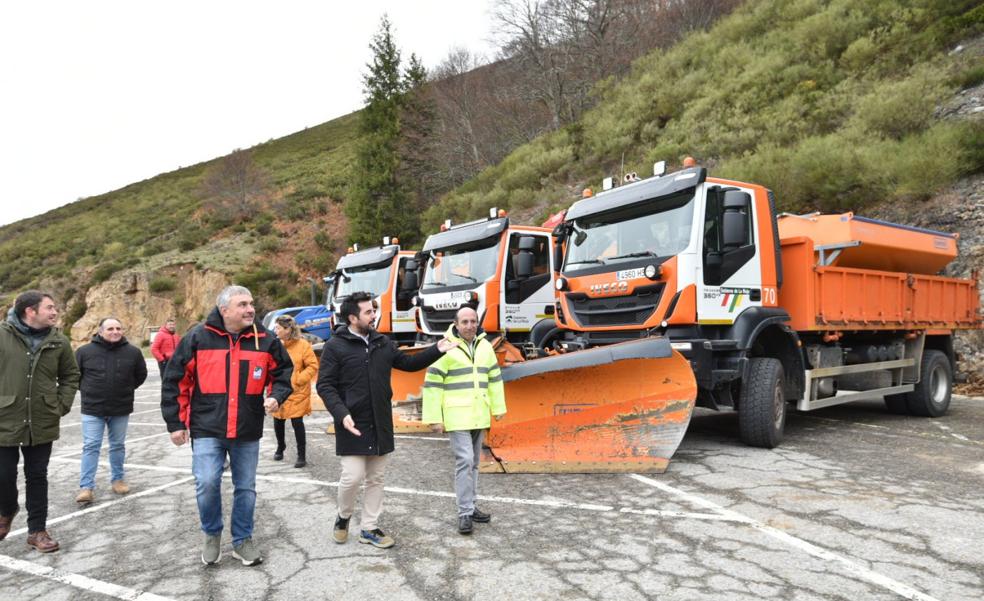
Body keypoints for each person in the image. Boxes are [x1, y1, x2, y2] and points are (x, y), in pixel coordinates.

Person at [161, 285, 293, 567]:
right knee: (207, 482)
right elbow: (175, 380)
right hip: (208, 427)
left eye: (251, 303)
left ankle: (242, 540)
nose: (250, 309)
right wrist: (176, 422)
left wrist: (276, 396)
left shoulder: (266, 339)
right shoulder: (198, 337)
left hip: (247, 428)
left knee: (245, 487)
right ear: (224, 310)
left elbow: (283, 374)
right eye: (242, 304)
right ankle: (211, 535)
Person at [317, 291, 455, 549]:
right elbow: (325, 386)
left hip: (380, 421)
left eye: (373, 310)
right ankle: (344, 516)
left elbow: (408, 364)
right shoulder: (335, 346)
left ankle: (369, 528)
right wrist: (341, 413)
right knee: (352, 477)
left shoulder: (382, 342)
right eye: (368, 312)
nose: (374, 315)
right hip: (352, 422)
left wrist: (437, 349)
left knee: (376, 478)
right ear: (352, 317)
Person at [0, 291, 80, 553]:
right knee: (3, 475)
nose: (55, 312)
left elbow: (71, 375)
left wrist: (61, 404)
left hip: (43, 419)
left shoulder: (59, 341)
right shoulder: (2, 335)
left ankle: (37, 531)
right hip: (4, 417)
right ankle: (7, 510)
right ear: (30, 311)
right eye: (49, 307)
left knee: (37, 477)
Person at [422, 306, 506, 535]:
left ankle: (471, 505)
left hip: (479, 415)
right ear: (456, 324)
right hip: (457, 416)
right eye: (465, 322)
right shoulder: (446, 347)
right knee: (465, 461)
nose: (469, 326)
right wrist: (433, 418)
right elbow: (432, 385)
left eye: (473, 321)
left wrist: (498, 408)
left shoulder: (485, 346)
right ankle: (464, 513)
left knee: (474, 464)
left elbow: (494, 379)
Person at [74, 317, 148, 504]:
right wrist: (90, 390)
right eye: (110, 328)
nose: (115, 331)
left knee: (117, 445)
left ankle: (118, 480)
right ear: (100, 331)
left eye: (118, 328)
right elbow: (75, 376)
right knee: (91, 446)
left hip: (120, 408)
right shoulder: (84, 352)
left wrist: (124, 389)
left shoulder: (133, 352)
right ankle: (86, 487)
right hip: (92, 408)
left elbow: (141, 375)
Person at [270, 315, 318, 468]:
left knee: (297, 422)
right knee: (278, 420)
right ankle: (280, 446)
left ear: (287, 329)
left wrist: (299, 379)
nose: (275, 330)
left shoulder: (303, 345)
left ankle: (301, 454)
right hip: (279, 389)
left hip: (298, 390)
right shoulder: (275, 344)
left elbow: (312, 366)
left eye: (278, 327)